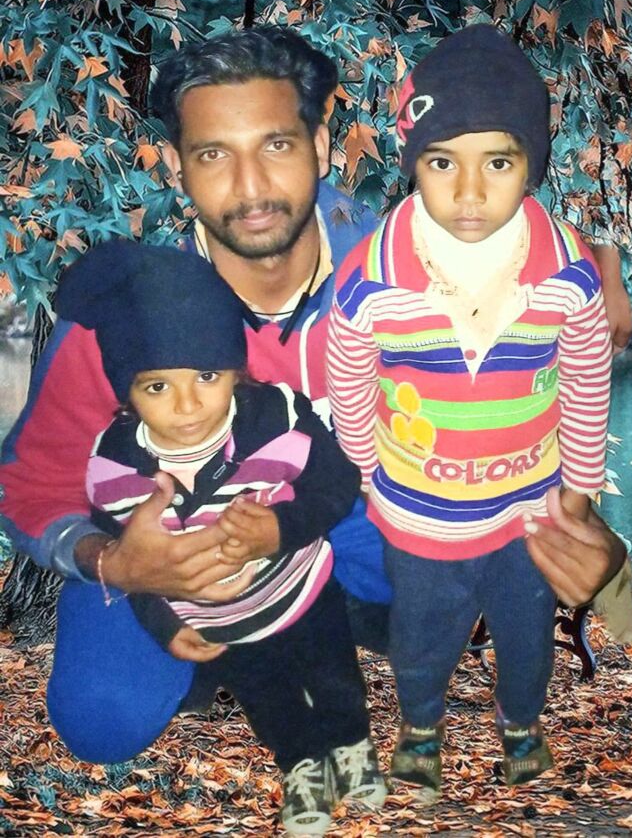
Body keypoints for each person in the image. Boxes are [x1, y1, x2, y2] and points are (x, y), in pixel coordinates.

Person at [0, 24, 627, 776]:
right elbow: (30, 483)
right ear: (175, 166)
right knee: (102, 719)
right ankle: (221, 653)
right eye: (213, 155)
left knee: (440, 575)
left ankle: (333, 619)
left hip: (357, 515)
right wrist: (112, 560)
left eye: (276, 145)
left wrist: (594, 549)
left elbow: (527, 403)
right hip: (178, 541)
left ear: (322, 146)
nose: (250, 187)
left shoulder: (408, 269)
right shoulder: (125, 314)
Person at [327, 24, 613, 801]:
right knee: (421, 641)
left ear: (532, 165)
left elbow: (587, 374)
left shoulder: (567, 269)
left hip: (530, 510)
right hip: (420, 511)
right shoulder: (374, 274)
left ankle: (521, 725)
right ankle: (420, 729)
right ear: (413, 161)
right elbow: (348, 371)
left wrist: (579, 487)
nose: (470, 192)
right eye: (442, 162)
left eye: (498, 162)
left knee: (527, 639)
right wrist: (363, 468)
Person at [51, 239, 385, 835]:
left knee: (335, 681)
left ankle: (352, 748)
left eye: (207, 376)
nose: (187, 405)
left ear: (235, 370)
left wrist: (283, 527)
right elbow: (130, 561)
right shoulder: (115, 468)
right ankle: (303, 772)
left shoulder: (277, 415)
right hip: (217, 617)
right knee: (270, 701)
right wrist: (164, 623)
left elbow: (336, 483)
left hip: (304, 589)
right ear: (127, 393)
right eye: (156, 386)